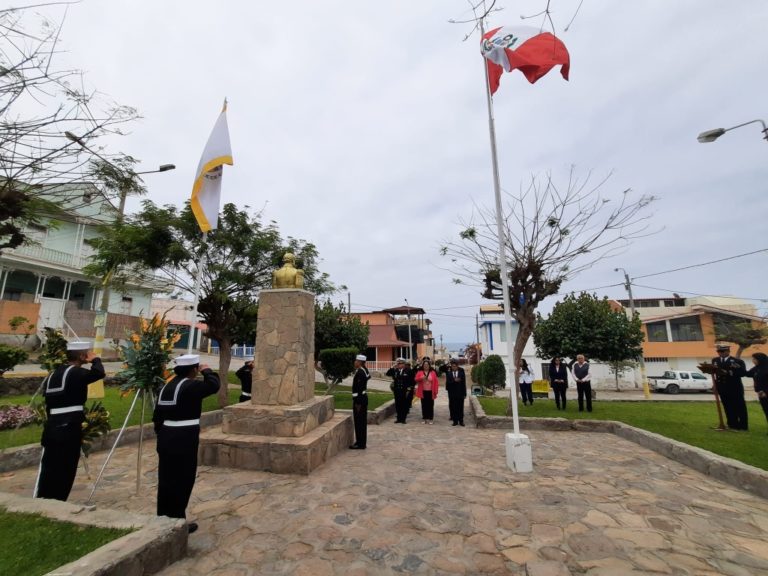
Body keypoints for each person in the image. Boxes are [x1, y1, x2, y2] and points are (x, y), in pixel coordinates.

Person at [153, 354, 220, 533]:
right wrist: (207, 370)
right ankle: (178, 522)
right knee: (183, 479)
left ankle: (164, 518)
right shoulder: (191, 386)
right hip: (184, 437)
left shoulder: (166, 386)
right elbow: (214, 385)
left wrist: (162, 434)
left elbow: (157, 416)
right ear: (194, 370)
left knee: (166, 479)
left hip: (166, 435)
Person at [35, 341, 104, 501]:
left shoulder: (53, 374)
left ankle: (43, 497)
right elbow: (99, 373)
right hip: (69, 427)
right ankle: (59, 500)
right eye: (86, 353)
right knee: (66, 466)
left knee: (49, 465)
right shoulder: (76, 373)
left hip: (52, 426)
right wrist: (95, 360)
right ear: (82, 356)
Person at [712, 344, 748, 430]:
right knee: (727, 406)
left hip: (734, 387)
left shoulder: (737, 361)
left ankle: (743, 426)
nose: (720, 353)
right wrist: (715, 385)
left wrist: (728, 373)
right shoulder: (715, 360)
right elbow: (715, 373)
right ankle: (732, 424)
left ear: (728, 351)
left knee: (739, 407)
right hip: (722, 387)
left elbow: (742, 373)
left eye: (722, 351)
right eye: (719, 351)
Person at [349, 354, 370, 449]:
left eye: (356, 361)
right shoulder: (364, 370)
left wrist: (357, 402)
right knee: (361, 422)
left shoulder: (360, 373)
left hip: (359, 401)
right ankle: (361, 442)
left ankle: (360, 444)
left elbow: (358, 388)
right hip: (362, 399)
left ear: (360, 362)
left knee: (359, 422)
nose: (355, 362)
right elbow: (368, 376)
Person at [745, 352, 768, 431]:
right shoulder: (757, 368)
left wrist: (765, 392)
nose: (753, 361)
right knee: (766, 411)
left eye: (755, 359)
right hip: (761, 394)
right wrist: (738, 367)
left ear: (760, 360)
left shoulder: (766, 368)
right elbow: (748, 374)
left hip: (765, 393)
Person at [386, 357, 412, 424]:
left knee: (404, 405)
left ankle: (403, 419)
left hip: (404, 391)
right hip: (397, 390)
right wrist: (392, 367)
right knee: (398, 404)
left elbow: (412, 380)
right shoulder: (395, 370)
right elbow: (388, 374)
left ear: (404, 364)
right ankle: (398, 418)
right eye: (398, 363)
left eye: (400, 363)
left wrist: (409, 388)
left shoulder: (408, 370)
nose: (399, 365)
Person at [414, 358, 439, 424]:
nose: (426, 366)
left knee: (430, 405)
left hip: (431, 391)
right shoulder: (420, 372)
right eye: (424, 365)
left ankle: (430, 418)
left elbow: (436, 382)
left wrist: (436, 391)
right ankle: (424, 418)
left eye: (427, 365)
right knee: (424, 405)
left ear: (429, 365)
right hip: (423, 391)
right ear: (423, 365)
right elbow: (416, 379)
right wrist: (421, 378)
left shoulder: (433, 372)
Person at [445, 358, 467, 426]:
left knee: (460, 407)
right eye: (452, 366)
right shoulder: (449, 374)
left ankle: (461, 421)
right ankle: (455, 421)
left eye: (455, 366)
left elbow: (463, 383)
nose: (454, 367)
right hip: (452, 394)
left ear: (457, 366)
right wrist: (454, 381)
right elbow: (448, 383)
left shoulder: (461, 373)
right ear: (451, 367)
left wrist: (464, 393)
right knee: (454, 407)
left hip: (460, 393)